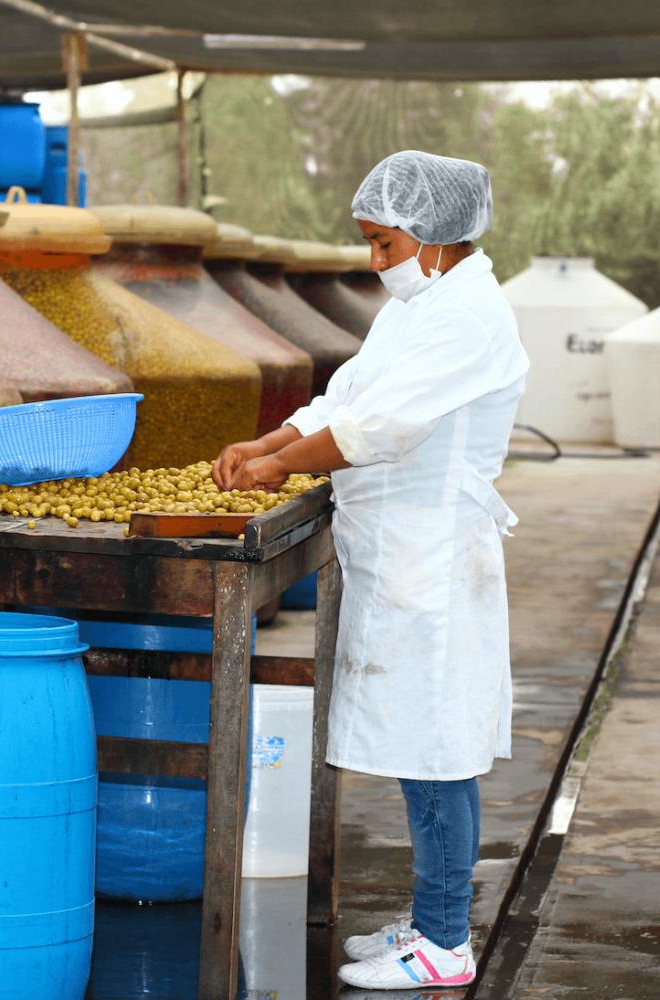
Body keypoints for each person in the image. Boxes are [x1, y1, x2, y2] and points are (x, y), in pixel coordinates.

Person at [213, 150, 528, 990]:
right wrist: (269, 441)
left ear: (432, 236)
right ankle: (430, 920)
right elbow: (345, 400)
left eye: (383, 243)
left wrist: (284, 469)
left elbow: (380, 429)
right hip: (396, 549)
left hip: (433, 555)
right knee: (413, 745)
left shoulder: (468, 316)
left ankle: (445, 943)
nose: (374, 260)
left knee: (436, 752)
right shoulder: (420, 306)